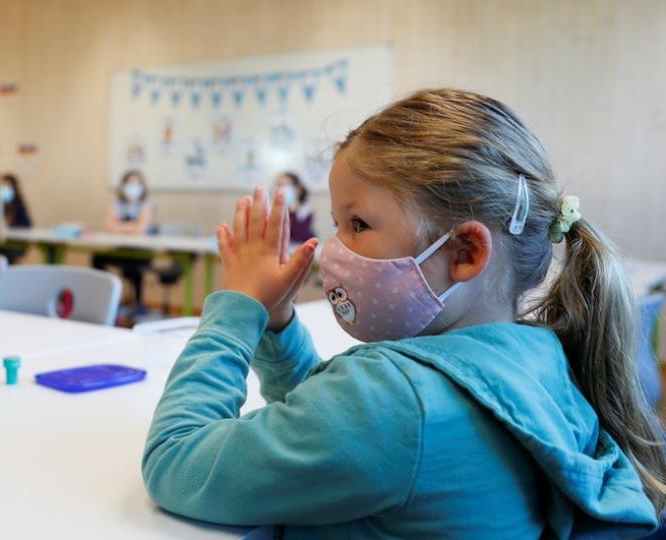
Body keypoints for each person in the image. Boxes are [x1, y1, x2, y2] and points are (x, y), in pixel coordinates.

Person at [142, 89, 663, 537]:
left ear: (464, 253)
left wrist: (238, 308)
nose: (333, 248)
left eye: (359, 224)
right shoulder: (538, 358)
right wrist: (276, 326)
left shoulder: (394, 402)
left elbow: (176, 460)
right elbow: (327, 430)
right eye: (337, 223)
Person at [92, 170, 153, 313]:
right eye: (129, 183)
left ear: (142, 186)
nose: (132, 186)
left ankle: (138, 303)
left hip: (141, 251)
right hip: (121, 250)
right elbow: (108, 226)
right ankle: (102, 297)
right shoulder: (118, 203)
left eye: (136, 183)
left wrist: (119, 226)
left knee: (135, 266)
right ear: (123, 186)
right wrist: (131, 226)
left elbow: (140, 230)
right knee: (98, 258)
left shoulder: (146, 204)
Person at [274, 171, 314, 243]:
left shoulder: (305, 211)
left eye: (285, 185)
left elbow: (297, 237)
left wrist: (292, 213)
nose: (280, 189)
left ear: (298, 189)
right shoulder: (273, 209)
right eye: (278, 185)